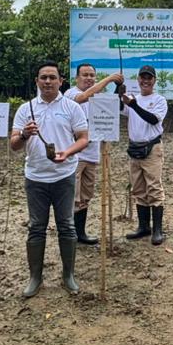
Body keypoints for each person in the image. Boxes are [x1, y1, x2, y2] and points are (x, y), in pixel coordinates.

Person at [11, 60, 91, 297]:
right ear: (37, 81)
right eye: (43, 77)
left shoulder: (71, 107)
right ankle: (35, 277)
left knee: (66, 226)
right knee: (36, 227)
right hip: (35, 176)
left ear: (60, 81)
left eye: (52, 77)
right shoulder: (26, 109)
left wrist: (67, 152)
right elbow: (14, 145)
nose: (47, 81)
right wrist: (25, 134)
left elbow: (84, 138)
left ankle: (69, 275)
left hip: (64, 175)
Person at [64, 63, 124, 245]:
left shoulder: (98, 98)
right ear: (77, 77)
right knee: (72, 197)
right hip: (75, 156)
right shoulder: (70, 94)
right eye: (85, 75)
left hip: (92, 155)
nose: (89, 78)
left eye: (92, 75)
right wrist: (110, 79)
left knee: (85, 197)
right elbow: (83, 97)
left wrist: (118, 91)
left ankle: (80, 233)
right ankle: (69, 234)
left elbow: (112, 112)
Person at [122, 64, 169, 245]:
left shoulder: (159, 100)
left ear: (154, 80)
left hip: (152, 149)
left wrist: (134, 105)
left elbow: (152, 119)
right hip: (134, 149)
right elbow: (121, 108)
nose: (145, 81)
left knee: (154, 188)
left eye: (149, 78)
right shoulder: (133, 99)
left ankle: (158, 229)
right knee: (138, 188)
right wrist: (118, 91)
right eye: (143, 77)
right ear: (138, 79)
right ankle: (143, 226)